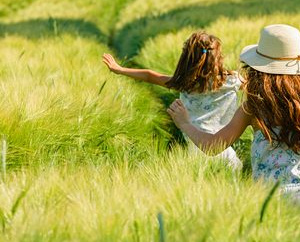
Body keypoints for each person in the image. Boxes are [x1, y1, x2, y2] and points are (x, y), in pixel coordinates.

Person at [167, 24, 300, 213]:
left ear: (258, 68)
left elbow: (213, 146)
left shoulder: (254, 107)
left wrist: (185, 123)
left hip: (268, 200)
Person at [102, 31, 242, 171]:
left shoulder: (185, 83)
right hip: (225, 152)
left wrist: (120, 69)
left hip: (196, 154)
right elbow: (258, 84)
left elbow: (150, 76)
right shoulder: (233, 80)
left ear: (186, 60)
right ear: (218, 58)